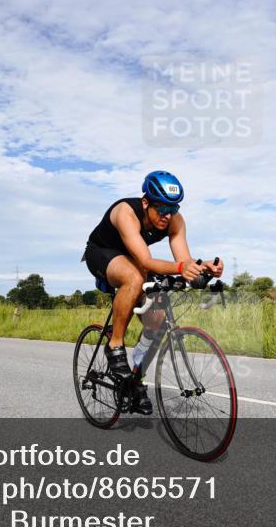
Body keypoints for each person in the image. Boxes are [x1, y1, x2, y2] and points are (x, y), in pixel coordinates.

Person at [82, 170, 224, 415]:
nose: (167, 216)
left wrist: (203, 269)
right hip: (102, 253)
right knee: (134, 278)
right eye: (161, 209)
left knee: (156, 321)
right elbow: (146, 262)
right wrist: (181, 268)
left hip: (133, 258)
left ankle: (134, 381)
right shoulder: (126, 212)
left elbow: (183, 261)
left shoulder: (175, 220)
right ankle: (115, 345)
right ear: (146, 202)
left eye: (173, 209)